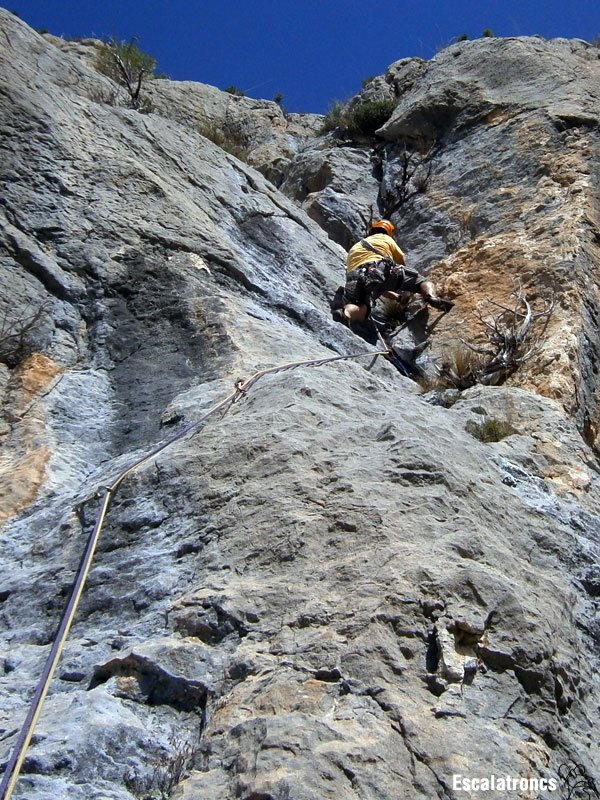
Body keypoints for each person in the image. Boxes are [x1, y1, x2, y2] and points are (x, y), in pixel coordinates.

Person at [331, 219, 453, 326]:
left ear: (371, 230)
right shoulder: (386, 238)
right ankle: (431, 297)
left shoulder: (355, 248)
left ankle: (345, 313)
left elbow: (379, 286)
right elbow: (401, 262)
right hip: (379, 267)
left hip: (356, 277)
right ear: (389, 232)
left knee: (363, 307)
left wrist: (398, 298)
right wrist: (407, 290)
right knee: (421, 281)